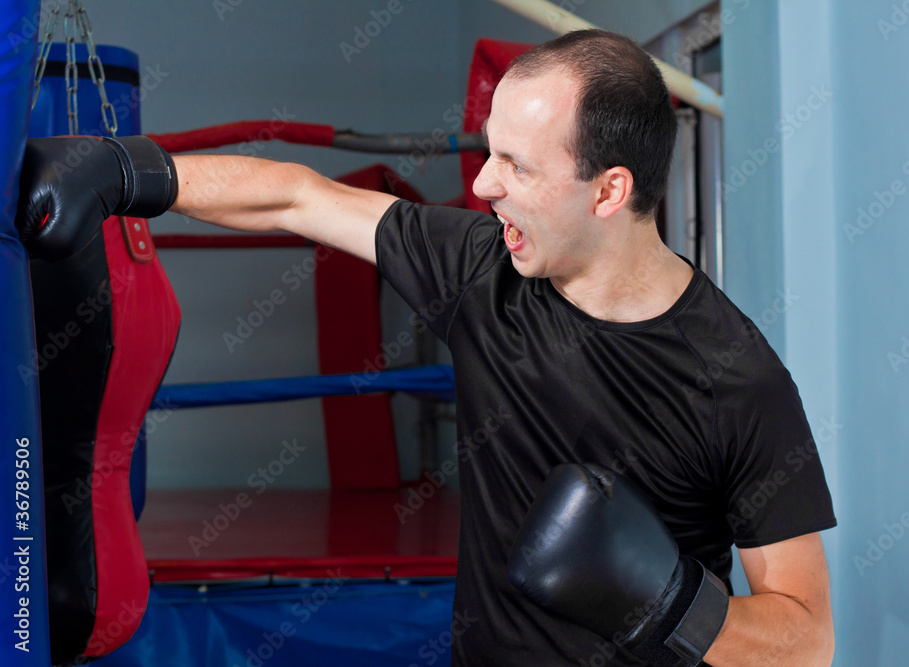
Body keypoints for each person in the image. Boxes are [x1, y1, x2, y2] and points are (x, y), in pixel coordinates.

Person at [18, 29, 836, 667]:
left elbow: (807, 640)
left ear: (609, 189)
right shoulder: (485, 270)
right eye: (487, 154)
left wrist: (668, 599)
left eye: (514, 164)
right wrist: (129, 171)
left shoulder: (740, 379)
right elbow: (299, 199)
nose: (481, 186)